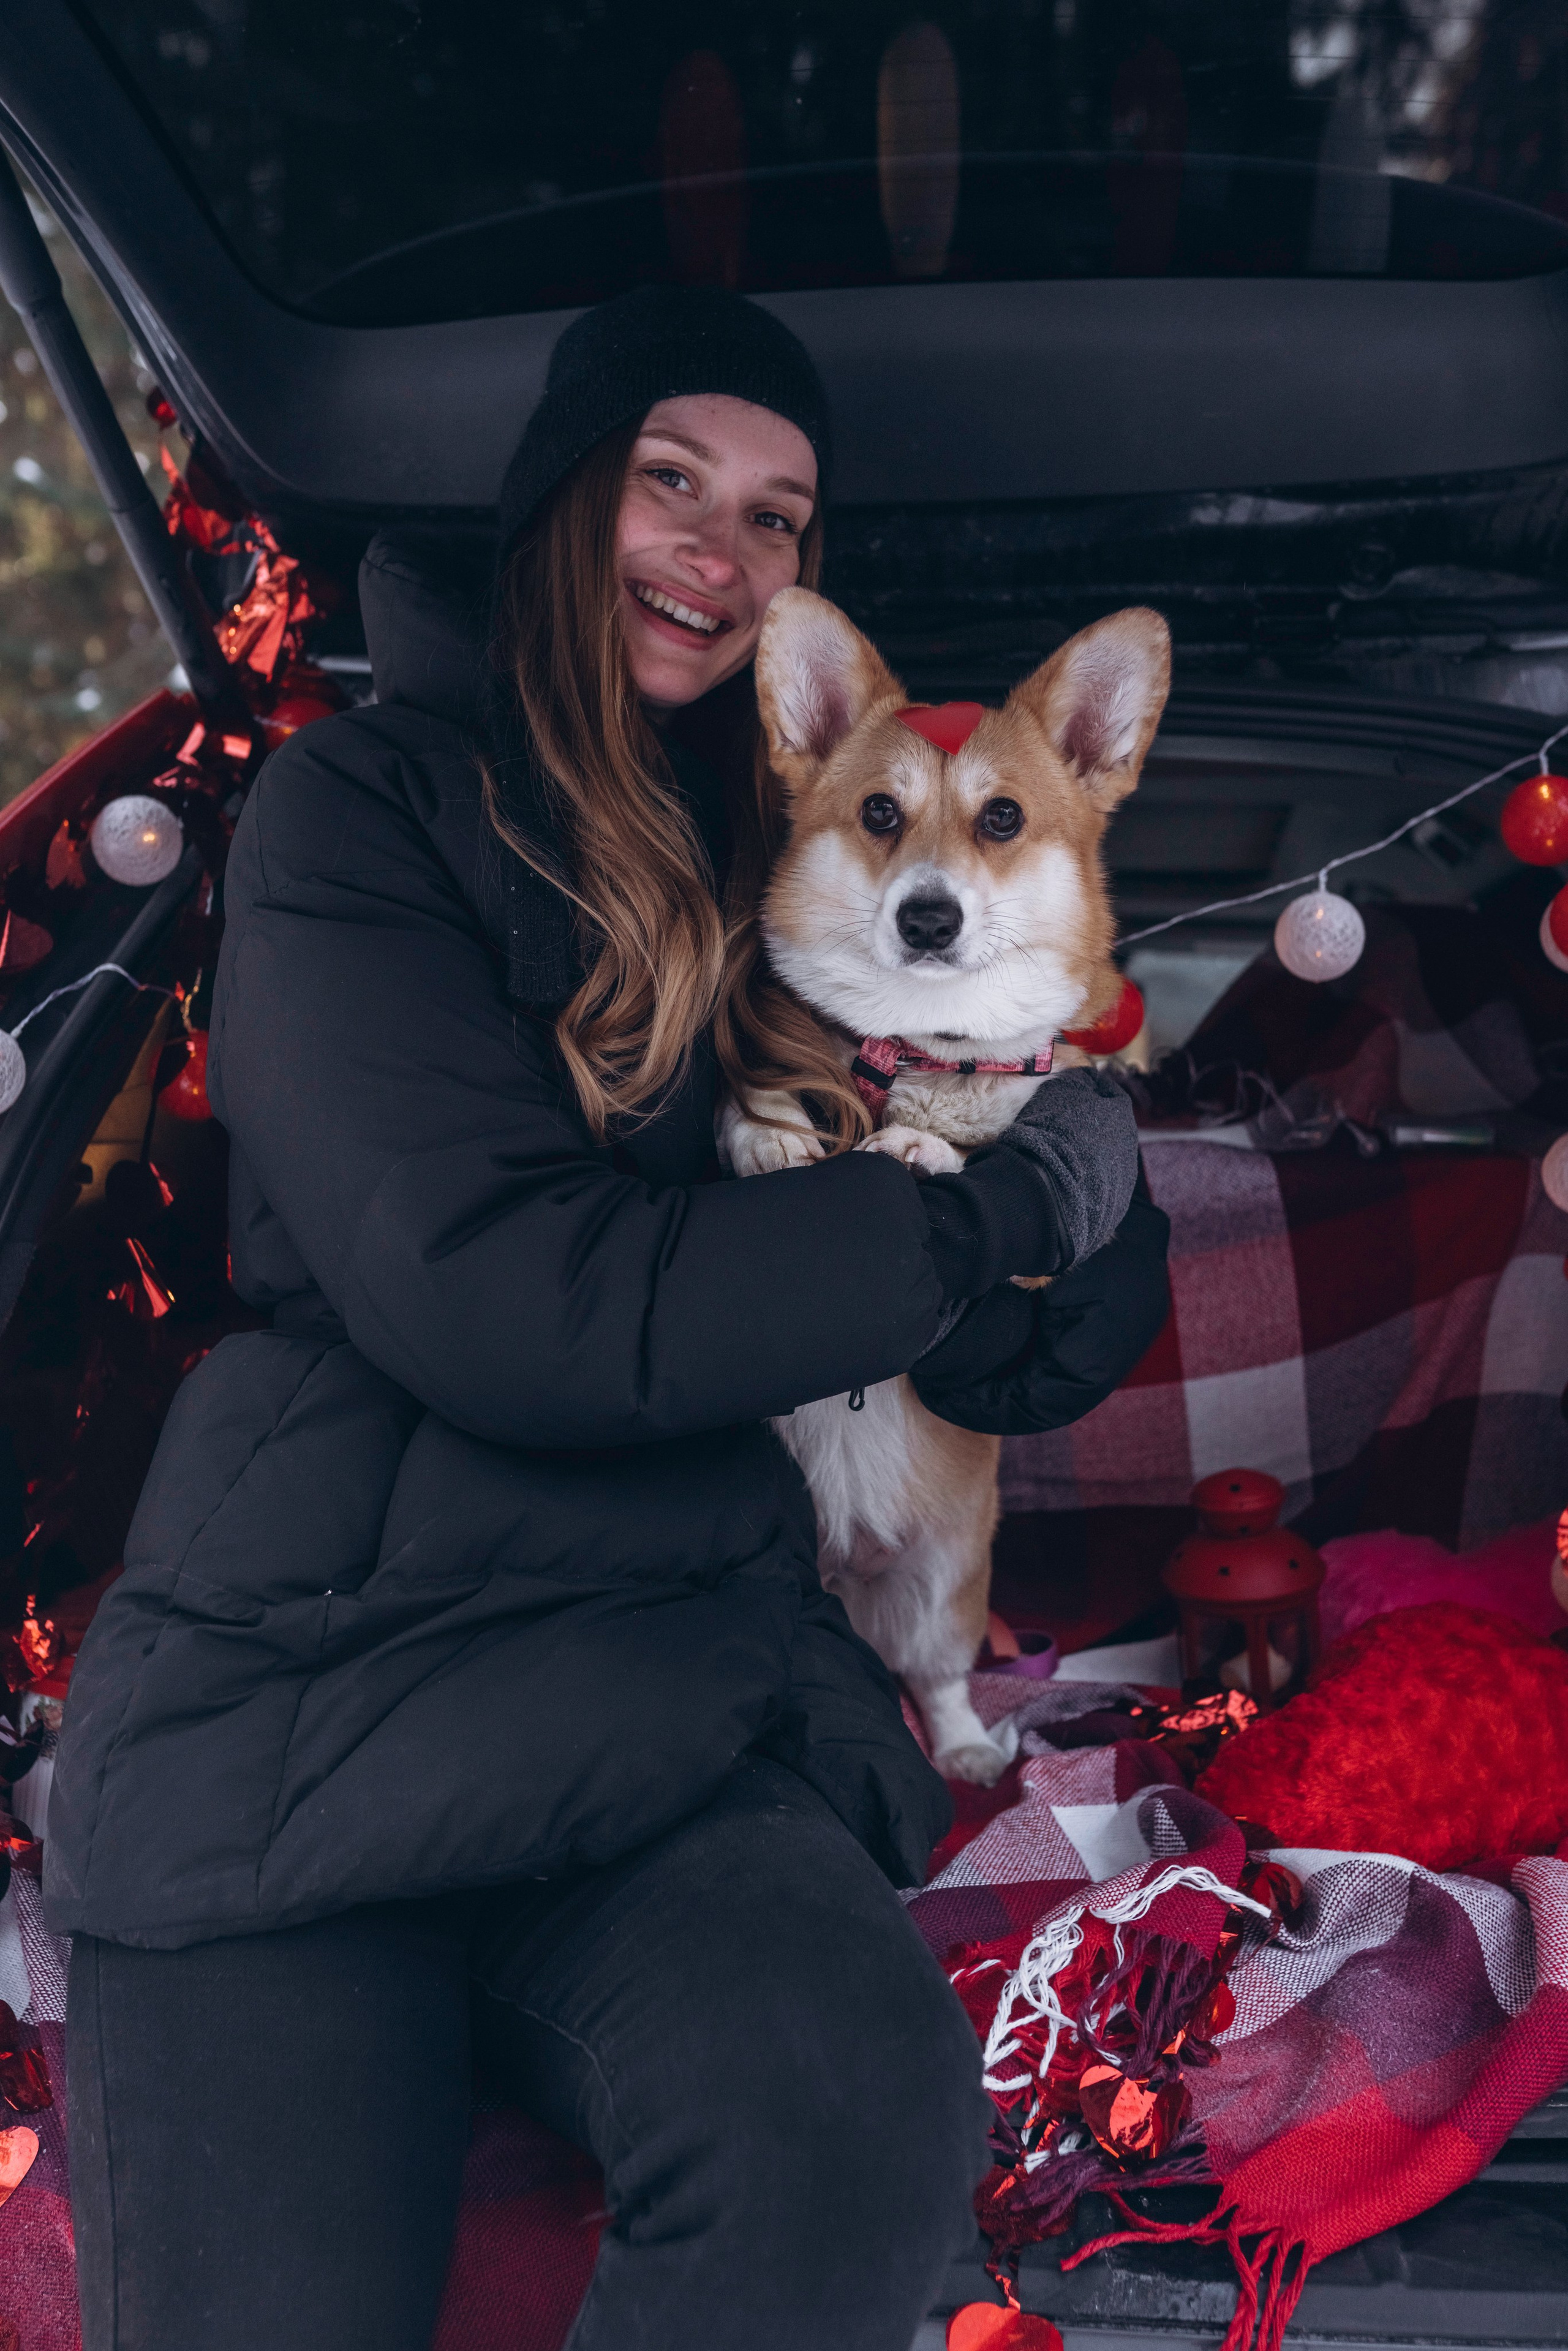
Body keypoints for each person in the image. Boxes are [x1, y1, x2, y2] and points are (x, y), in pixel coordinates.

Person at [47, 285, 1170, 2351]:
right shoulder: (363, 813)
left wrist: (1089, 1189)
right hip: (299, 1715)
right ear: (568, 498)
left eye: (776, 519)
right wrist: (986, 1207)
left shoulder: (826, 855)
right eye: (673, 480)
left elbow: (1009, 1357)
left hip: (666, 1704)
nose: (718, 552)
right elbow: (507, 1307)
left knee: (845, 2111)